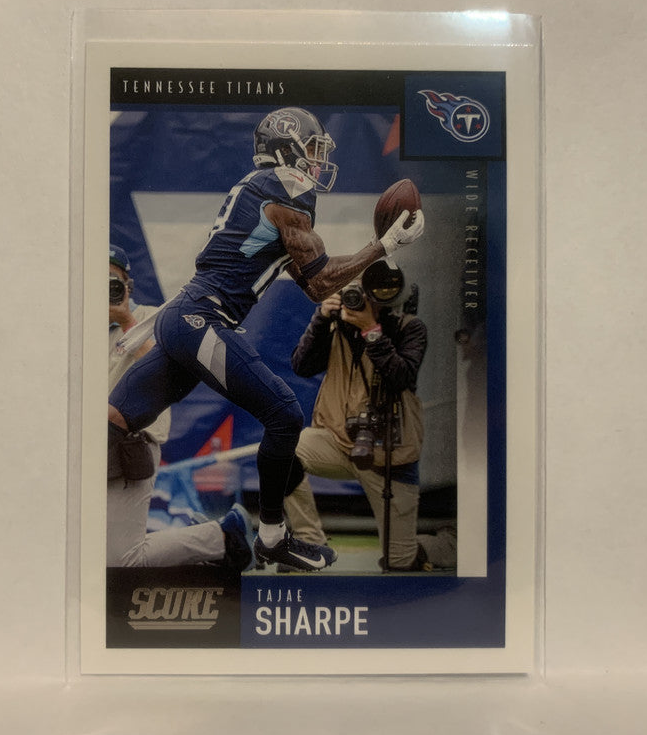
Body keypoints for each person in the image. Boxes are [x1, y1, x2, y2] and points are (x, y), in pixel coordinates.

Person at [108, 108, 425, 572]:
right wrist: (383, 247)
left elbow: (313, 282)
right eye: (312, 149)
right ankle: (273, 538)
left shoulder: (267, 190)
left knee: (116, 419)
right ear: (286, 148)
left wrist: (375, 250)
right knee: (285, 413)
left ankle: (222, 535)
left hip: (184, 317)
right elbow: (321, 280)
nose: (318, 161)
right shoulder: (285, 191)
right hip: (201, 317)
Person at [284, 260, 457, 571]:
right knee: (280, 451)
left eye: (376, 300)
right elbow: (301, 366)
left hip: (390, 453)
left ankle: (453, 542)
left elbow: (401, 377)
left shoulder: (409, 328)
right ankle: (310, 543)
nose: (366, 304)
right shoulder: (337, 325)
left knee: (400, 561)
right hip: (337, 441)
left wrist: (371, 331)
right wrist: (321, 319)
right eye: (362, 295)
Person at [106, 244, 252, 571]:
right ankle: (210, 537)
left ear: (128, 285)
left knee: (119, 558)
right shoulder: (76, 327)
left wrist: (126, 320)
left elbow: (166, 374)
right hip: (86, 447)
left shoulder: (151, 318)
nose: (105, 289)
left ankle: (221, 538)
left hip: (130, 447)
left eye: (112, 281)